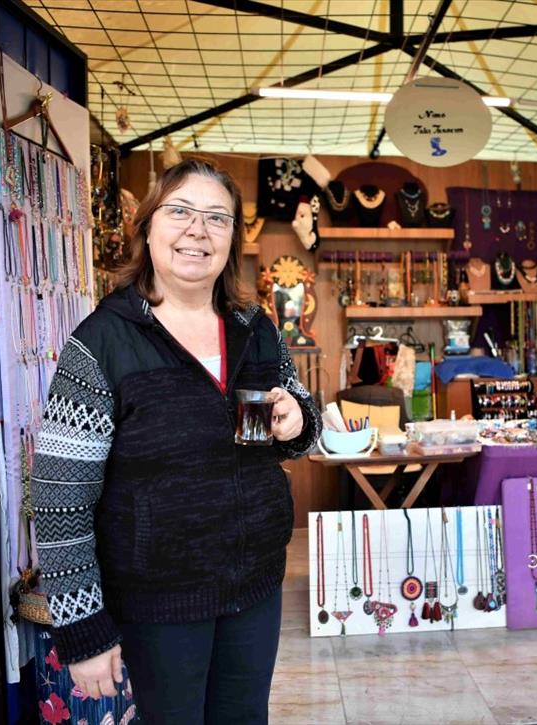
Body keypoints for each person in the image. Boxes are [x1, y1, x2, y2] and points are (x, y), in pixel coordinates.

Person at [32, 159, 321, 724]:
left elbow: (301, 422)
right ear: (147, 227)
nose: (198, 230)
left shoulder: (254, 327)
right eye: (181, 211)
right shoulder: (101, 343)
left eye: (217, 217)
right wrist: (84, 630)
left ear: (232, 239)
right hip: (157, 603)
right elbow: (59, 498)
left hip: (255, 587)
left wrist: (297, 421)